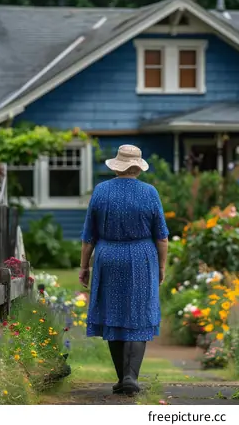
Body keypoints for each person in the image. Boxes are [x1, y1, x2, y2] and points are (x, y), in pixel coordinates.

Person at [78, 144, 169, 396]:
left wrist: (84, 267)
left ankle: (123, 377)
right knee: (138, 312)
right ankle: (130, 376)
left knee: (112, 312)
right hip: (141, 258)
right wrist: (161, 266)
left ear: (117, 165)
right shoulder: (150, 193)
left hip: (108, 256)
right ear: (137, 167)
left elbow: (88, 237)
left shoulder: (101, 191)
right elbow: (161, 237)